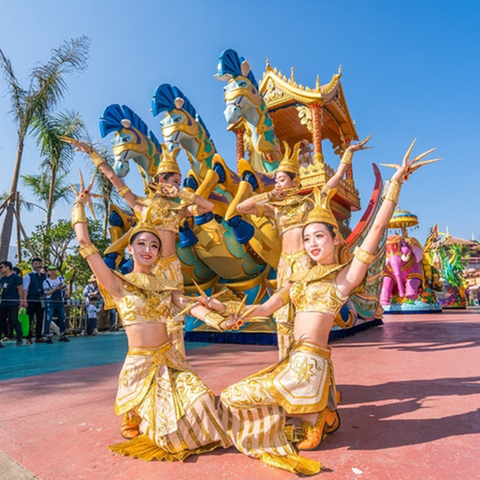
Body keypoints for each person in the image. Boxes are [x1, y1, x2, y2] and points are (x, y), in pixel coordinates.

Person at [218, 141, 437, 474]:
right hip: (290, 362)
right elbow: (266, 308)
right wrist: (234, 313)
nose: (312, 244)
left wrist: (394, 186)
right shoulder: (298, 279)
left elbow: (376, 230)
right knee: (231, 398)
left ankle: (315, 414)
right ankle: (321, 413)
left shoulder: (343, 280)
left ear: (335, 238)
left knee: (261, 414)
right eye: (307, 239)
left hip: (310, 367)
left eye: (319, 236)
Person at [70, 175, 235, 462]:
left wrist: (222, 321)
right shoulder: (117, 283)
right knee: (170, 436)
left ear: (159, 253)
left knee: (205, 403)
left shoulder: (166, 286)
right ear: (131, 249)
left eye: (154, 246)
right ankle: (135, 413)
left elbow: (189, 306)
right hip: (140, 367)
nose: (148, 250)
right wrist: (79, 207)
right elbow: (85, 242)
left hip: (170, 361)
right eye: (142, 244)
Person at [62, 136, 214, 358]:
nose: (176, 186)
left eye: (178, 183)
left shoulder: (178, 209)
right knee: (152, 317)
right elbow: (113, 177)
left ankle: (178, 365)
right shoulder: (141, 205)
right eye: (174, 181)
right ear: (161, 179)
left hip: (172, 266)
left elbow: (208, 206)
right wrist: (91, 152)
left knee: (176, 318)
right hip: (149, 268)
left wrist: (181, 194)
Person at [237, 137, 371, 359]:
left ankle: (305, 361)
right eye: (276, 180)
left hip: (304, 262)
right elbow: (242, 207)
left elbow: (334, 181)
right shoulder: (275, 208)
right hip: (284, 263)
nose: (278, 184)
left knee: (302, 310)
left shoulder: (309, 203)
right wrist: (268, 195)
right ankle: (284, 363)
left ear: (294, 181)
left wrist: (347, 155)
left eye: (281, 180)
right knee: (281, 314)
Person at [21, 257, 47, 344]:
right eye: (35, 264)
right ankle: (29, 337)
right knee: (30, 319)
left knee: (40, 318)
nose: (38, 266)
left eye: (39, 264)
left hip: (41, 300)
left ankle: (38, 336)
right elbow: (25, 289)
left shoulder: (44, 276)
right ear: (32, 265)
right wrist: (25, 300)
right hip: (31, 300)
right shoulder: (29, 276)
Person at [43, 265, 70, 343]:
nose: (52, 272)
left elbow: (65, 288)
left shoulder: (60, 279)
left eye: (54, 270)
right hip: (50, 301)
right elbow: (47, 293)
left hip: (59, 301)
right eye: (50, 270)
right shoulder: (46, 282)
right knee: (48, 318)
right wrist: (56, 288)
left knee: (62, 317)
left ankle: (61, 334)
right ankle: (47, 335)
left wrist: (67, 293)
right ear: (47, 272)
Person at [0, 261, 24, 346]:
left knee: (14, 319)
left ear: (7, 267)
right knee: (1, 320)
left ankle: (19, 338)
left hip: (13, 303)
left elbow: (20, 290)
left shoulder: (16, 278)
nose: (0, 269)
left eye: (1, 267)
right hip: (3, 303)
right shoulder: (2, 279)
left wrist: (21, 301)